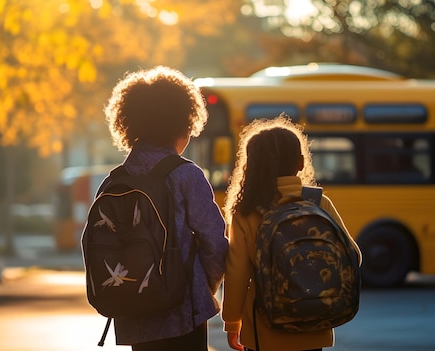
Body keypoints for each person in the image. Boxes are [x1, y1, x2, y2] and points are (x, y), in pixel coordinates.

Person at [91, 66, 228, 351]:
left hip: (133, 312)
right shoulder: (186, 175)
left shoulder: (115, 180)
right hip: (183, 313)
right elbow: (215, 243)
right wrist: (201, 288)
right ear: (183, 122)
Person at [221, 115, 362, 351]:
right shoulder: (318, 203)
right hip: (315, 327)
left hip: (265, 330)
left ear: (251, 166)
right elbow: (353, 256)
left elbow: (237, 274)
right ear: (300, 162)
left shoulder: (246, 212)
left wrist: (232, 322)